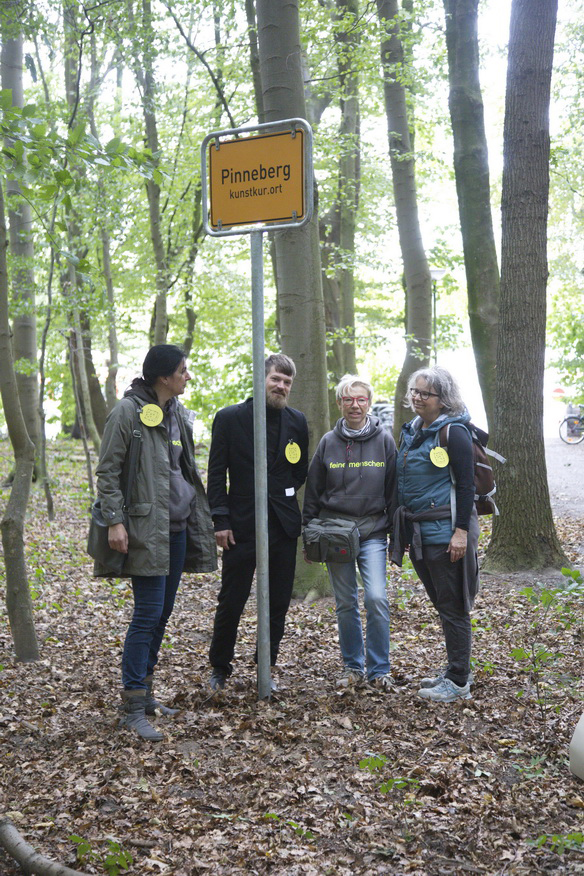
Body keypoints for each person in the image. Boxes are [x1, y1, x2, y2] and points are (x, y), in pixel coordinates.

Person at [93, 345, 217, 740]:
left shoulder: (176, 413)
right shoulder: (127, 412)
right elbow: (107, 472)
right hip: (145, 531)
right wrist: (115, 521)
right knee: (147, 614)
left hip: (177, 529)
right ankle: (132, 707)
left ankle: (145, 695)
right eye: (183, 370)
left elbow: (183, 471)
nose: (187, 376)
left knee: (161, 614)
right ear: (163, 377)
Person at [207, 353, 309, 691]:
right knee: (232, 599)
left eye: (287, 382)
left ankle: (266, 666)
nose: (281, 386)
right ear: (261, 379)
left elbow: (299, 470)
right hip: (240, 525)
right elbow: (216, 474)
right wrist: (221, 520)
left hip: (283, 526)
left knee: (278, 602)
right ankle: (219, 668)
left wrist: (280, 493)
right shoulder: (229, 418)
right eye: (275, 379)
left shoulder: (296, 421)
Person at [302, 375, 396, 690]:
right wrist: (308, 535)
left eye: (361, 399)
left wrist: (397, 536)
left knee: (376, 598)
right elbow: (313, 492)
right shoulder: (328, 442)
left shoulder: (385, 441)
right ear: (339, 403)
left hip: (372, 531)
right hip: (335, 534)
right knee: (345, 602)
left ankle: (379, 669)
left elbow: (394, 491)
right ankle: (353, 666)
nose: (355, 405)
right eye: (348, 399)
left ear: (369, 403)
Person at [392, 366, 479, 704]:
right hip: (420, 532)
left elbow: (467, 486)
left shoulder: (453, 433)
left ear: (442, 399)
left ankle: (458, 682)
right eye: (414, 390)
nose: (416, 397)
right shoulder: (414, 430)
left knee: (453, 606)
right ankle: (457, 668)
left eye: (424, 393)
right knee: (443, 605)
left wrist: (461, 533)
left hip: (445, 533)